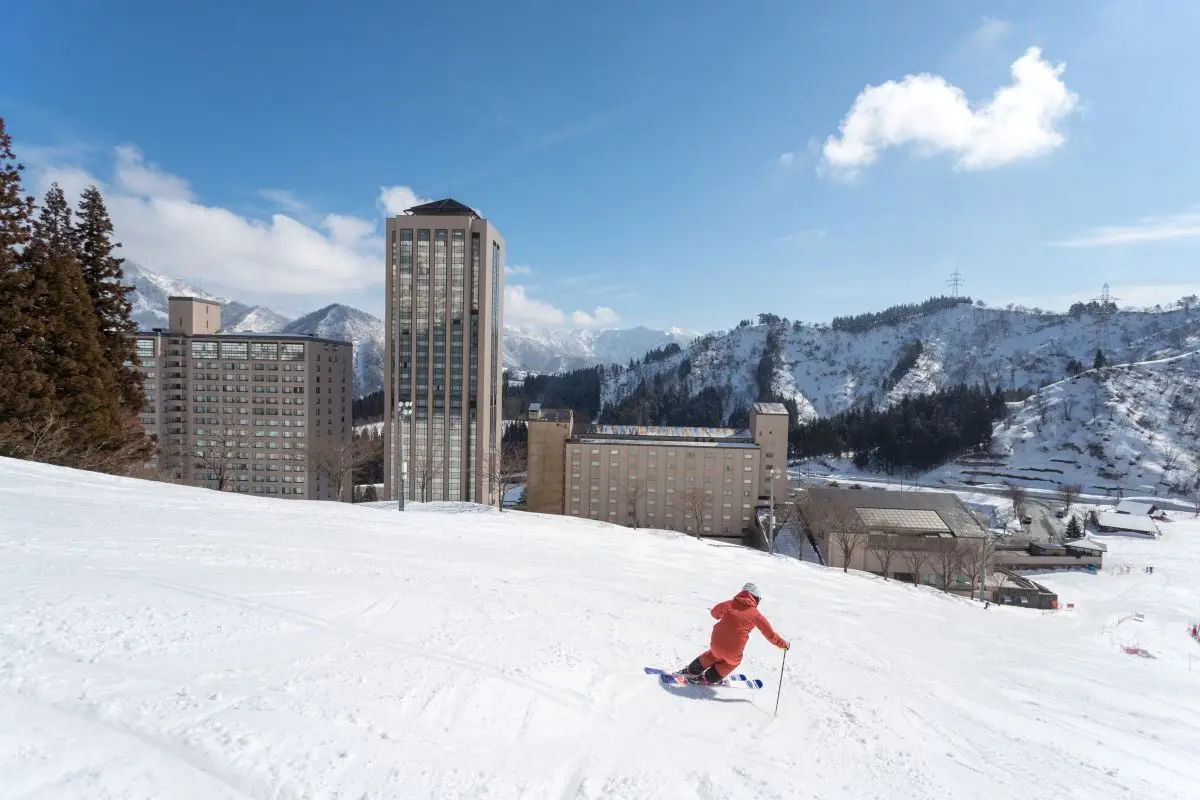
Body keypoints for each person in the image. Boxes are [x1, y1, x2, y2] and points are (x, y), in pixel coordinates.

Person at [679, 582, 789, 685]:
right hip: (733, 651)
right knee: (732, 662)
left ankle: (691, 670)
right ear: (756, 598)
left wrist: (726, 616)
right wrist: (784, 645)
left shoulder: (729, 604)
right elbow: (770, 635)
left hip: (716, 643)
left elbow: (714, 613)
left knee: (713, 654)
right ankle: (708, 678)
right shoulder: (756, 615)